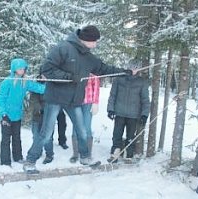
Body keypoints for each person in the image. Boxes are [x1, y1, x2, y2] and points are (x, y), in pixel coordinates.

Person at [23, 25, 135, 172]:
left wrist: (124, 72)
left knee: (82, 130)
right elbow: (47, 69)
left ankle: (85, 157)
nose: (96, 44)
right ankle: (30, 162)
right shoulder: (63, 48)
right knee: (46, 132)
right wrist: (69, 77)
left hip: (73, 99)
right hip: (55, 97)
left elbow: (103, 69)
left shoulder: (88, 57)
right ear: (86, 39)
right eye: (94, 41)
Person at [0, 58, 45, 167]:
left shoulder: (25, 82)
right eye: (19, 69)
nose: (22, 71)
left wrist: (51, 88)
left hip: (17, 115)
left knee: (17, 137)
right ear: (14, 69)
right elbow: (0, 98)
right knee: (5, 139)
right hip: (6, 116)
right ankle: (5, 161)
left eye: (23, 69)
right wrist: (3, 114)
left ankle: (17, 156)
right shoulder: (7, 82)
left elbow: (38, 88)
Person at [107, 59, 150, 163]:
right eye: (131, 67)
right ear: (127, 67)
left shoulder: (141, 82)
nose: (133, 70)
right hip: (119, 112)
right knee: (117, 134)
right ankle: (115, 154)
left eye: (135, 68)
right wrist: (110, 109)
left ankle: (128, 155)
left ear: (138, 69)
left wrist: (144, 115)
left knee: (130, 136)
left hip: (134, 114)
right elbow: (112, 95)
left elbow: (145, 100)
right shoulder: (119, 79)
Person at [70, 73, 100, 163]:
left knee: (86, 127)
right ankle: (75, 154)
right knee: (76, 127)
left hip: (88, 102)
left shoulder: (92, 69)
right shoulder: (74, 68)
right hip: (76, 102)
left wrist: (95, 102)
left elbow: (96, 86)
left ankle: (88, 154)